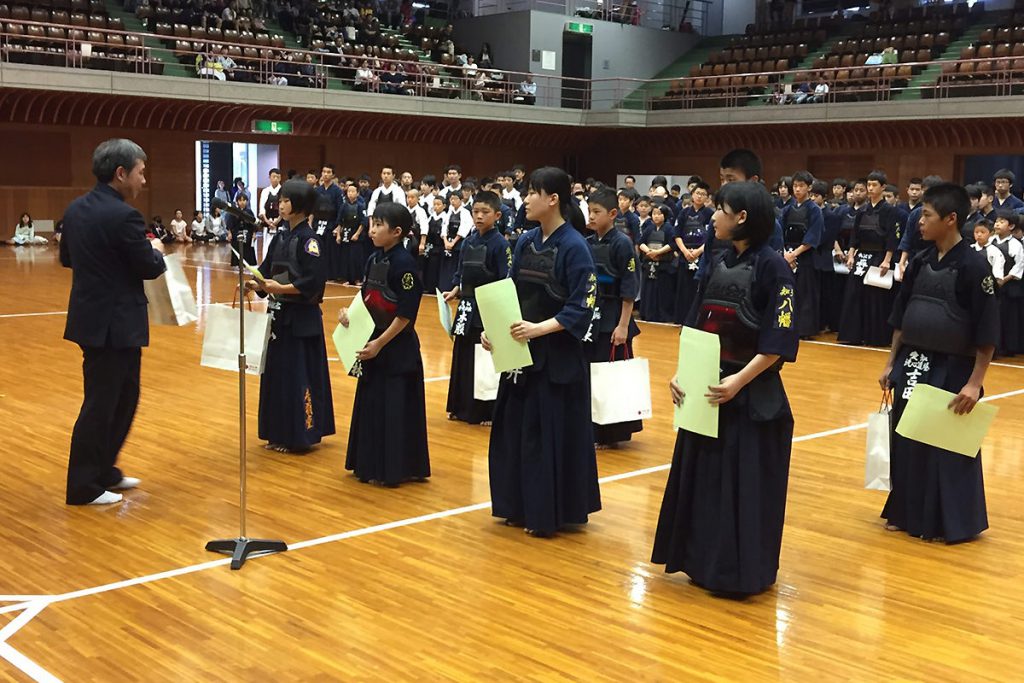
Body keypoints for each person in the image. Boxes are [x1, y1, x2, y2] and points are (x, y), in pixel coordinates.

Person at [652, 181, 798, 597]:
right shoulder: (715, 260)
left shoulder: (774, 267)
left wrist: (738, 381)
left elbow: (779, 341)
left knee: (743, 488)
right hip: (708, 392)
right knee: (704, 482)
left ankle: (738, 573)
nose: (712, 216)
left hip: (750, 395)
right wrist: (683, 373)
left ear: (742, 218)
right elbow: (697, 325)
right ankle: (700, 562)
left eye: (720, 209)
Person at [482, 166, 601, 538]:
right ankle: (517, 506)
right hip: (521, 357)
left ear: (553, 199)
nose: (527, 198)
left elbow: (583, 306)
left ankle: (548, 511)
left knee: (545, 436)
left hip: (557, 361)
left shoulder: (575, 247)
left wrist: (540, 329)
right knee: (516, 432)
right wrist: (497, 333)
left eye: (534, 192)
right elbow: (513, 294)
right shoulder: (525, 241)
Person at [879, 183, 998, 543]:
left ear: (950, 219)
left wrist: (975, 383)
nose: (920, 221)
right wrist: (890, 364)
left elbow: (987, 332)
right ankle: (906, 511)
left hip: (953, 368)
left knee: (946, 449)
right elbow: (901, 318)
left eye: (927, 215)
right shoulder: (920, 261)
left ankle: (947, 521)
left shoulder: (975, 267)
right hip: (914, 362)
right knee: (908, 442)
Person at [61, 139, 166, 505]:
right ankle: (83, 486)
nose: (144, 180)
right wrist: (155, 251)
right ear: (120, 174)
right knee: (102, 405)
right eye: (140, 172)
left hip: (92, 318)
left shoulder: (75, 210)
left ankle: (103, 471)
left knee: (120, 399)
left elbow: (67, 258)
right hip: (115, 323)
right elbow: (149, 267)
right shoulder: (124, 216)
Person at [340, 202, 430, 486]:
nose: (373, 229)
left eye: (379, 225)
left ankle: (395, 468)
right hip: (373, 345)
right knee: (371, 404)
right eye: (372, 223)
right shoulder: (373, 259)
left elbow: (406, 315)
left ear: (397, 232)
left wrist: (379, 343)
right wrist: (349, 317)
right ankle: (369, 465)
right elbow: (367, 298)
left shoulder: (405, 265)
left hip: (396, 348)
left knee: (393, 408)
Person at [245, 179, 335, 454]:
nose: (280, 204)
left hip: (302, 322)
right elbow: (266, 270)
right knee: (276, 376)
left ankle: (301, 435)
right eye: (280, 200)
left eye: (286, 200)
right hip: (279, 319)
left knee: (299, 377)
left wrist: (280, 288)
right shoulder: (281, 237)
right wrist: (255, 283)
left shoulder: (311, 241)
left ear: (301, 206)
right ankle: (277, 432)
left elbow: (313, 283)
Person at [442, 191, 511, 425]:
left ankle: (485, 410)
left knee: (484, 359)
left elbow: (505, 279)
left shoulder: (501, 244)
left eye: (485, 212)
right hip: (466, 306)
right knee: (463, 355)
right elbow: (462, 272)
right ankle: (460, 406)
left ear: (497, 215)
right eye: (475, 212)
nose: (479, 216)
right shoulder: (469, 241)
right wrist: (455, 290)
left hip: (487, 309)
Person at [584, 188, 642, 448]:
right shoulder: (588, 242)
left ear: (613, 214)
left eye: (597, 212)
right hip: (591, 317)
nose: (592, 217)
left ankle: (611, 433)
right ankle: (591, 427)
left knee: (611, 375)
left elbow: (629, 289)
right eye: (589, 211)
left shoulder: (622, 243)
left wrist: (622, 325)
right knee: (590, 372)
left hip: (614, 316)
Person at [838, 170, 900, 346]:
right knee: (854, 294)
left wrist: (887, 260)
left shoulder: (889, 211)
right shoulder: (862, 210)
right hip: (861, 256)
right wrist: (851, 255)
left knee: (876, 297)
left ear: (883, 187)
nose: (871, 188)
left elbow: (891, 238)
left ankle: (875, 337)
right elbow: (854, 236)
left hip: (879, 256)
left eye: (874, 185)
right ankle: (852, 335)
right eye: (869, 185)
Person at [781, 170, 824, 337]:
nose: (797, 189)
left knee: (805, 293)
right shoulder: (787, 209)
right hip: (787, 255)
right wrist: (786, 253)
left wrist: (795, 254)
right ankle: (787, 325)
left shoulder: (814, 210)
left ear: (809, 187)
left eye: (801, 186)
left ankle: (804, 330)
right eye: (795, 186)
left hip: (806, 256)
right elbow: (780, 231)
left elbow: (814, 236)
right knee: (788, 291)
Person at [673, 183, 713, 324]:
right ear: (692, 195)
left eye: (703, 194)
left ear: (707, 197)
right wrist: (684, 251)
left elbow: (711, 237)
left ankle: (695, 321)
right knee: (683, 289)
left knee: (697, 289)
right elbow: (676, 234)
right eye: (697, 193)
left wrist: (698, 251)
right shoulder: (684, 212)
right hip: (685, 255)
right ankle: (680, 319)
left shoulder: (710, 214)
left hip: (701, 256)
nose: (699, 196)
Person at [990, 211, 1023, 356]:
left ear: (1011, 226)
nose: (997, 224)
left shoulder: (1015, 244)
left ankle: (1007, 347)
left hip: (1008, 286)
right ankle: (994, 346)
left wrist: (1005, 279)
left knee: (1008, 317)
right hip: (992, 285)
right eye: (997, 221)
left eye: (1002, 221)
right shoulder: (991, 241)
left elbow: (1020, 265)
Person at [638, 202, 677, 322]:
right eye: (654, 214)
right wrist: (649, 252)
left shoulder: (669, 228)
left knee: (663, 292)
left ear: (664, 215)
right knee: (649, 291)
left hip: (664, 265)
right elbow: (641, 242)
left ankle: (663, 315)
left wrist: (658, 252)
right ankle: (647, 313)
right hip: (649, 263)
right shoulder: (649, 228)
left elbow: (673, 244)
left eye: (659, 214)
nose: (656, 216)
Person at [438, 191, 472, 291]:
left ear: (461, 200)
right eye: (451, 199)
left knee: (456, 265)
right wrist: (445, 240)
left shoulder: (465, 212)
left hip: (459, 243)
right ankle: (444, 287)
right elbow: (444, 226)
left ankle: (454, 288)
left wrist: (453, 242)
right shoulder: (449, 212)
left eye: (455, 199)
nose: (453, 201)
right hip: (447, 242)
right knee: (446, 265)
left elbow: (464, 228)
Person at [336, 183, 367, 285]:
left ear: (357, 193)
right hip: (346, 232)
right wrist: (338, 235)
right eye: (349, 191)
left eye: (353, 191)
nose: (350, 193)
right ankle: (347, 278)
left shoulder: (361, 206)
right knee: (346, 257)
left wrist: (357, 234)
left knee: (356, 257)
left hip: (357, 233)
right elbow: (340, 221)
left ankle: (358, 278)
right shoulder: (344, 206)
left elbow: (363, 222)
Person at [227, 193, 258, 268]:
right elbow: (229, 223)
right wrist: (229, 233)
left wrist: (254, 234)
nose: (242, 202)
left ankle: (248, 265)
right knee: (237, 248)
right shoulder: (234, 211)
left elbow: (253, 224)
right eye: (240, 200)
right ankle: (237, 264)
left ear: (247, 201)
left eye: (244, 200)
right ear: (237, 201)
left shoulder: (249, 211)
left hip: (247, 233)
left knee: (247, 249)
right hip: (236, 233)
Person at [258, 167, 283, 235]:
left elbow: (284, 208)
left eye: (278, 177)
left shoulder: (283, 190)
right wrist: (267, 221)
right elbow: (262, 208)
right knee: (267, 244)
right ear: (269, 177)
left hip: (280, 223)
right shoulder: (265, 191)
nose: (275, 179)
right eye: (274, 177)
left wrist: (277, 221)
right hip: (267, 222)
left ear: (280, 178)